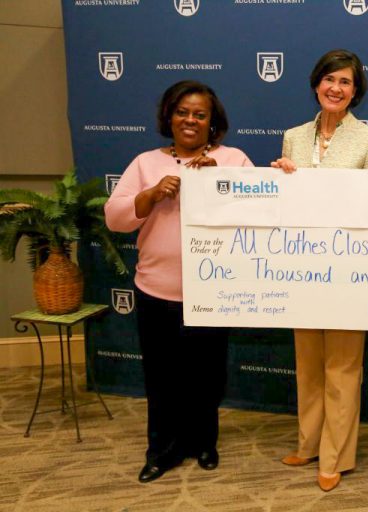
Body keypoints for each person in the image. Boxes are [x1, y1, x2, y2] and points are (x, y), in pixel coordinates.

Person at [105, 80, 253, 483]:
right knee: (162, 376)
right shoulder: (146, 163)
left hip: (213, 290)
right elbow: (115, 217)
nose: (190, 120)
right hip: (157, 290)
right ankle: (162, 450)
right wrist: (150, 195)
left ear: (212, 121)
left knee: (207, 375)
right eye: (182, 112)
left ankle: (204, 442)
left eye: (199, 114)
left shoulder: (234, 158)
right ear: (169, 116)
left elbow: (261, 211)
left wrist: (221, 181)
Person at [270, 49, 368, 492]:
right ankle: (309, 442)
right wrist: (280, 179)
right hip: (301, 267)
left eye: (346, 82)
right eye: (329, 79)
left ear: (356, 92)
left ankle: (336, 454)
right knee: (308, 363)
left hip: (349, 270)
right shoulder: (292, 136)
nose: (336, 88)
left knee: (343, 366)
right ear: (316, 83)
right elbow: (283, 203)